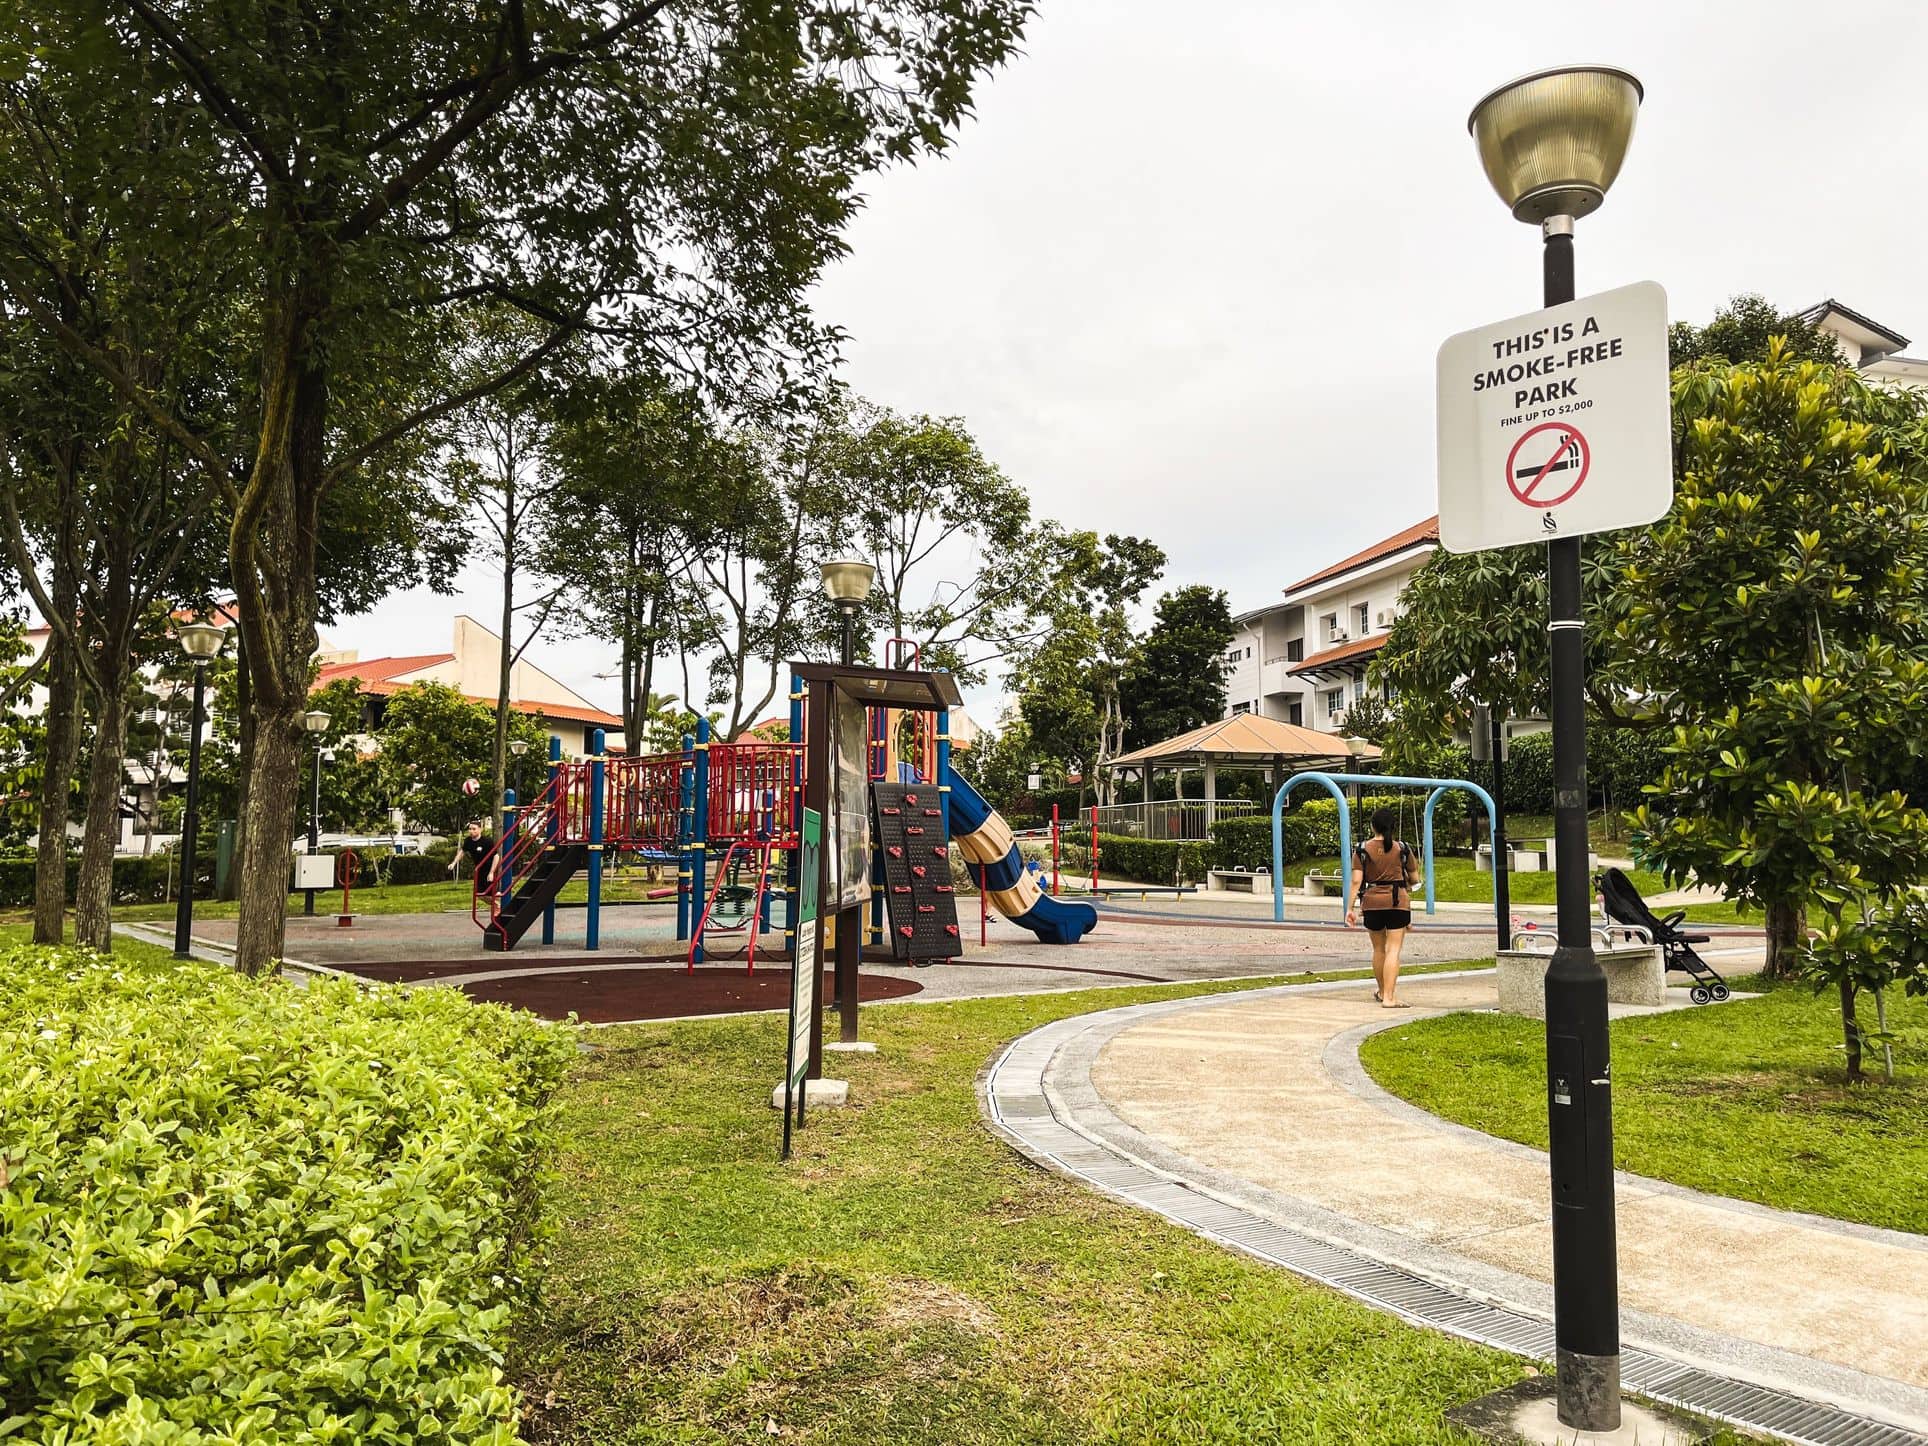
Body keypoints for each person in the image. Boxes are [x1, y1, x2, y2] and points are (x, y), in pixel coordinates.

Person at [1345, 807, 1419, 1008]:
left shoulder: (1361, 849)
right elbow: (1414, 878)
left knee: (1379, 949)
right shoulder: (1403, 848)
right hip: (1397, 902)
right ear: (1393, 827)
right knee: (1393, 950)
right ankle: (1389, 997)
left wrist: (1349, 908)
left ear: (1372, 826)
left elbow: (1356, 882)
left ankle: (1381, 991)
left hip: (1372, 903)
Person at [449, 820, 496, 887]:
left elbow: (496, 856)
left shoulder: (487, 841)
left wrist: (491, 872)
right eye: (470, 829)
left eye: (474, 829)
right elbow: (462, 852)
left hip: (489, 868)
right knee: (480, 894)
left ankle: (500, 896)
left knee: (490, 894)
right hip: (479, 869)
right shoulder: (468, 841)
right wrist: (454, 863)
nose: (471, 831)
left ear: (480, 829)